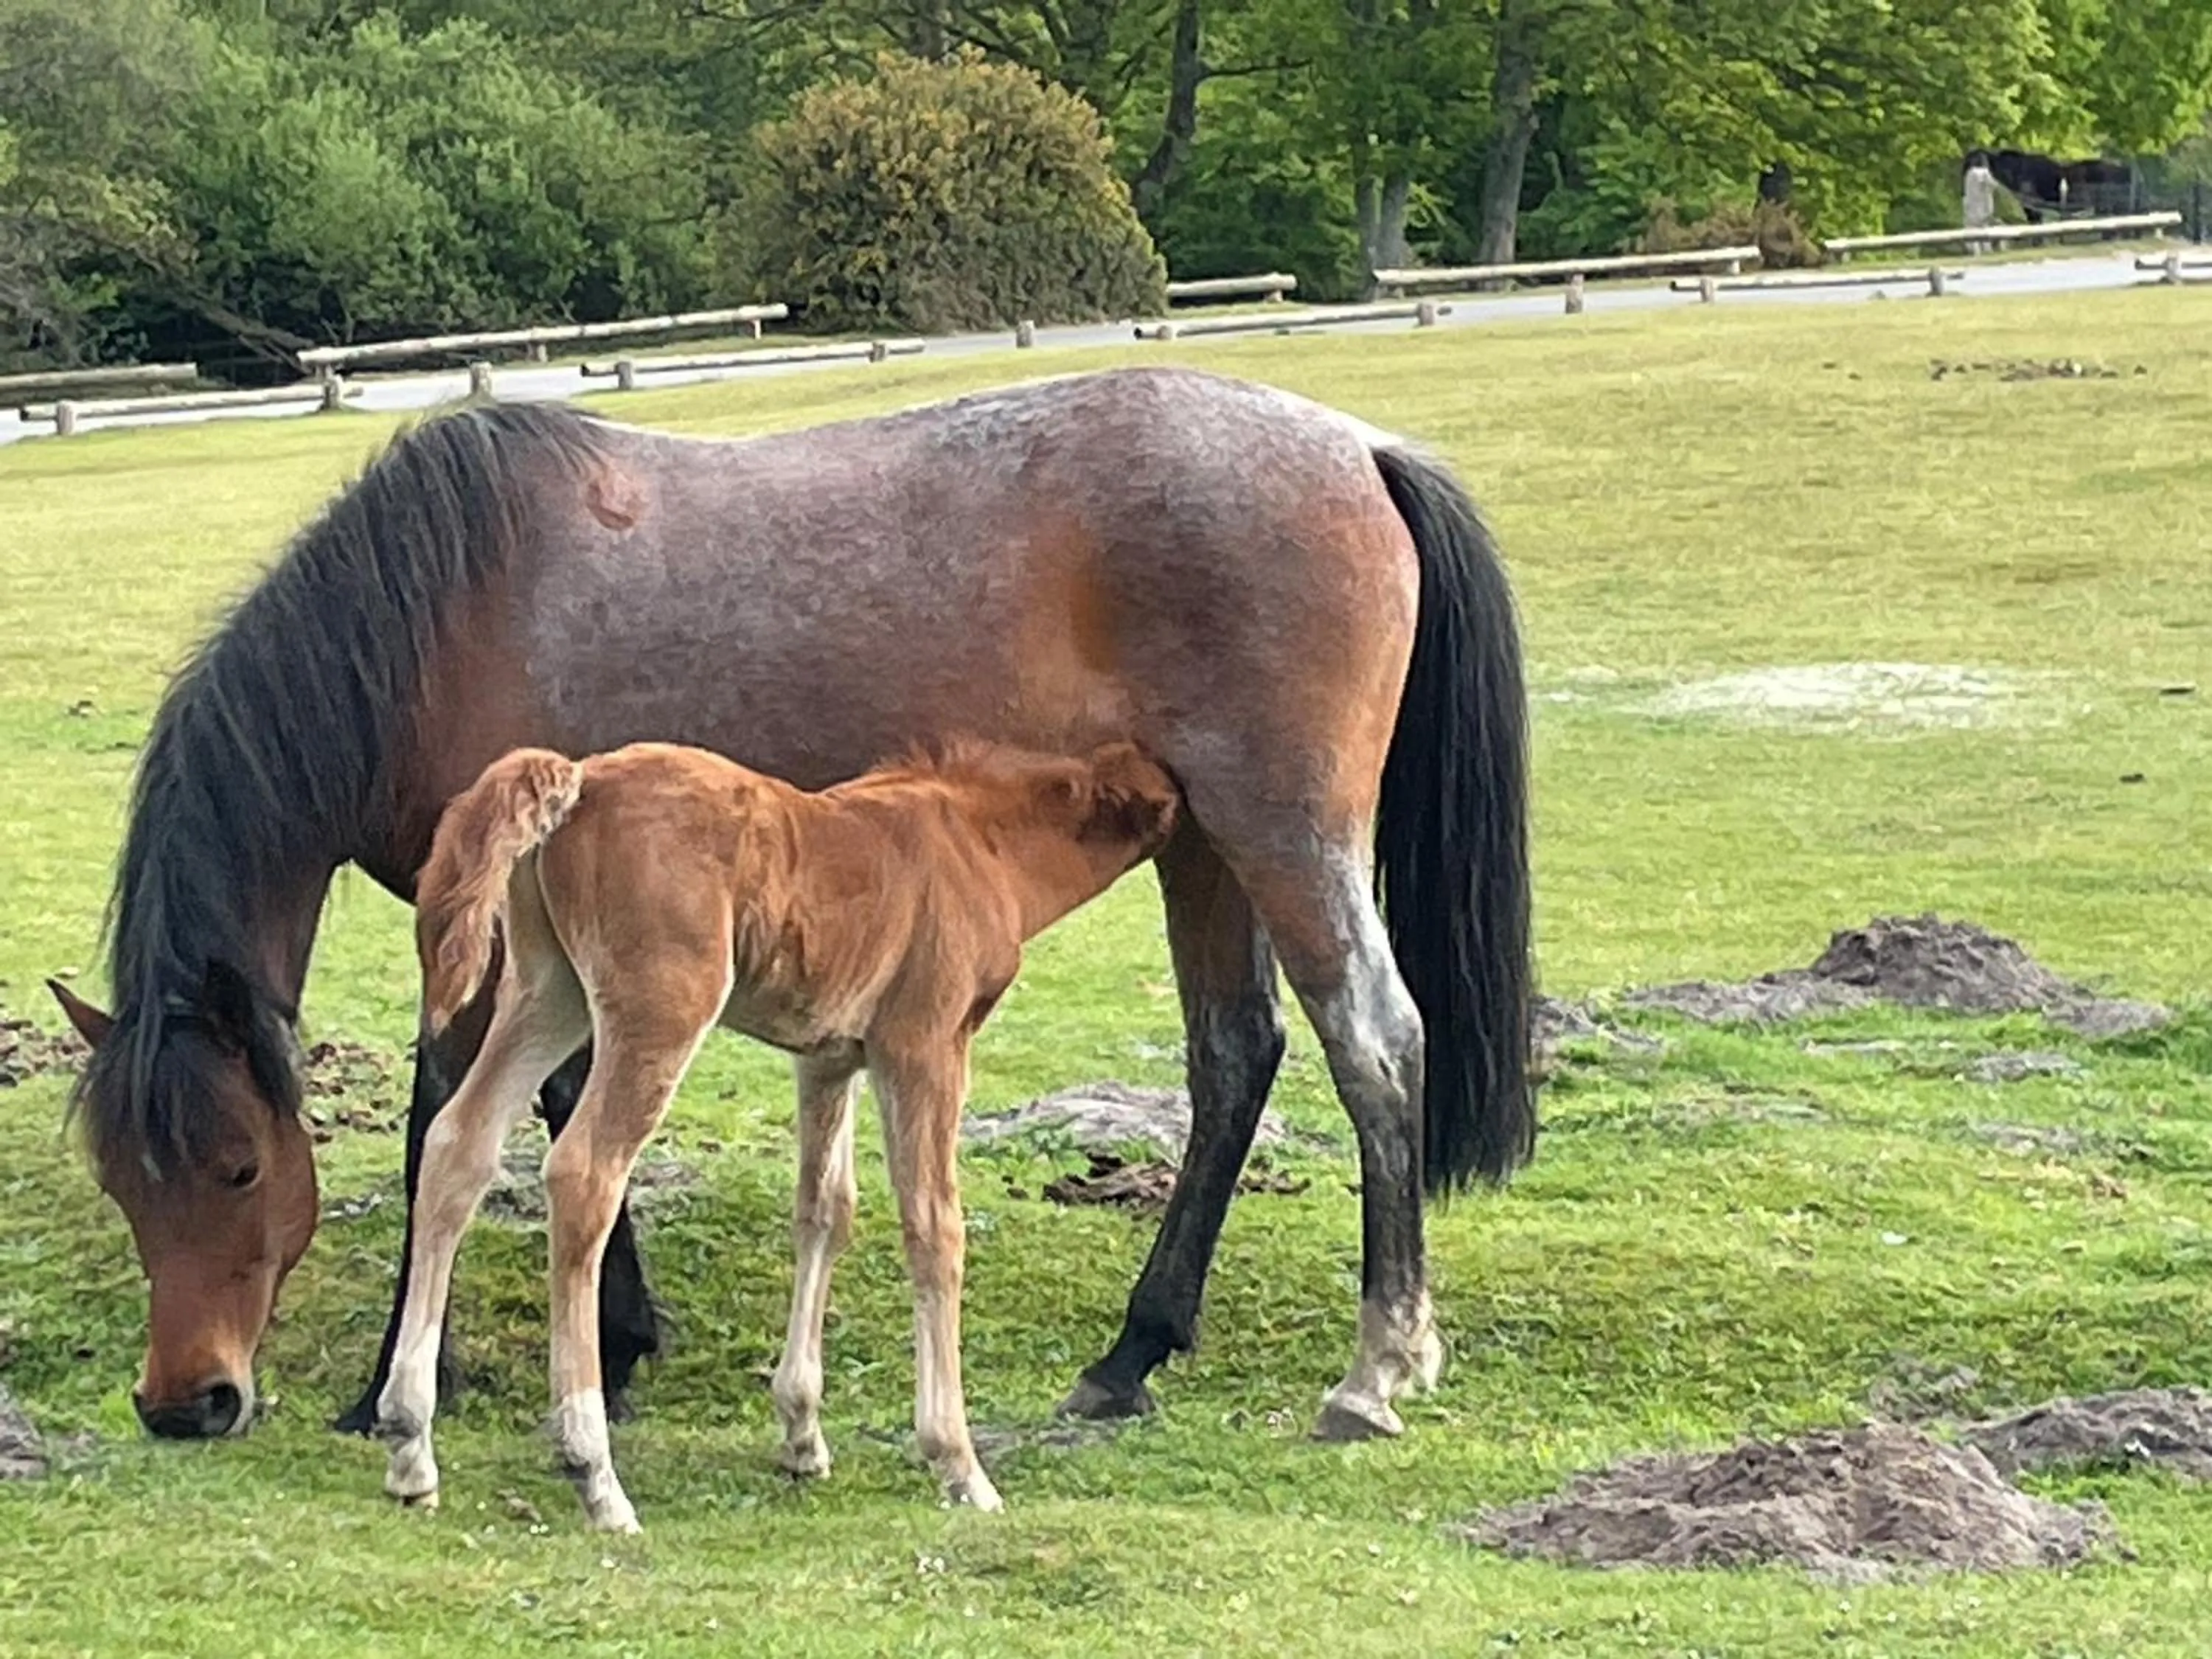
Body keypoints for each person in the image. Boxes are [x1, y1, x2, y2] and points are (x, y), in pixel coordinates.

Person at [1964, 150, 1997, 255]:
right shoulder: (1984, 173)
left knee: (1973, 229)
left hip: (1970, 204)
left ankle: (1976, 251)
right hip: (1983, 205)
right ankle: (1987, 249)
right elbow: (1993, 185)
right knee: (1984, 228)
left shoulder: (1969, 173)